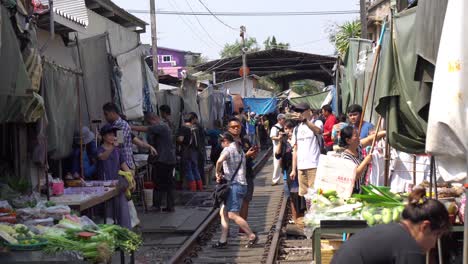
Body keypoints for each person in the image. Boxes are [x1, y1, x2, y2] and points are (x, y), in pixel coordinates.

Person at [331, 188, 450, 264]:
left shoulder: (393, 231)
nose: (434, 245)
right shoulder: (409, 248)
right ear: (424, 227)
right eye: (436, 235)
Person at [212, 133, 258, 249]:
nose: (221, 145)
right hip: (241, 185)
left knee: (232, 214)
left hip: (234, 186)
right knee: (223, 212)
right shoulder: (240, 150)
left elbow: (219, 161)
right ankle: (223, 240)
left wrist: (217, 172)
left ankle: (251, 235)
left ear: (225, 141)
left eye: (221, 143)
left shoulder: (228, 149)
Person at [131, 113, 176, 212]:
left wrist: (130, 127)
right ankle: (169, 206)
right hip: (167, 160)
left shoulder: (161, 126)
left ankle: (157, 206)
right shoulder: (164, 127)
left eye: (150, 122)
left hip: (163, 160)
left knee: (158, 183)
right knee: (168, 184)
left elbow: (148, 129)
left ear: (154, 119)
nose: (150, 125)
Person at [96, 124, 132, 229]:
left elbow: (123, 164)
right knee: (109, 211)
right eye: (110, 134)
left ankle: (125, 230)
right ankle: (111, 230)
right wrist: (112, 147)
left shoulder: (117, 150)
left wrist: (130, 178)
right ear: (104, 137)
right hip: (104, 184)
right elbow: (102, 157)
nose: (113, 137)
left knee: (122, 208)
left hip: (117, 184)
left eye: (113, 134)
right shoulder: (100, 149)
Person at [102, 102, 156, 172]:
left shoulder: (122, 125)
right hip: (115, 164)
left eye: (106, 114)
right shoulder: (111, 126)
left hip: (124, 164)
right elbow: (138, 142)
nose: (105, 117)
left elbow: (118, 142)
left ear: (112, 112)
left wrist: (104, 138)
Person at [226, 117, 258, 226]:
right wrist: (246, 155)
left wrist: (253, 155)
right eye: (233, 127)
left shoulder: (245, 141)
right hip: (231, 177)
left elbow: (250, 158)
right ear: (228, 128)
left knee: (246, 201)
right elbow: (217, 157)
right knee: (228, 203)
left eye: (238, 127)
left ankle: (242, 228)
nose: (236, 129)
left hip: (246, 174)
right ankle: (227, 231)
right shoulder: (226, 142)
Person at [339, 126, 386, 193]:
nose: (359, 138)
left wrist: (384, 133)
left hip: (362, 189)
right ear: (348, 140)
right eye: (356, 136)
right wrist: (366, 161)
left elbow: (369, 140)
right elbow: (355, 175)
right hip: (353, 191)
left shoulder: (358, 148)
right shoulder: (345, 157)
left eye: (359, 135)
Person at [290, 103, 323, 197]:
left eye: (301, 111)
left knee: (315, 195)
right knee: (304, 195)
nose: (299, 114)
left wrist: (305, 120)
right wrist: (294, 169)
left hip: (314, 165)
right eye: (298, 111)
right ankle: (308, 211)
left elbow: (318, 131)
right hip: (301, 167)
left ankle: (314, 212)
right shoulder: (296, 129)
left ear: (309, 111)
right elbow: (295, 150)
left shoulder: (317, 122)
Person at [275, 120, 304, 222]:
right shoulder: (283, 141)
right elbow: (277, 155)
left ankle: (302, 216)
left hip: (299, 169)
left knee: (301, 194)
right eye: (285, 129)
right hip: (289, 170)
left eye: (289, 128)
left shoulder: (298, 139)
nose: (287, 131)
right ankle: (295, 217)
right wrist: (279, 141)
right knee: (292, 195)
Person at [177, 113, 202, 191]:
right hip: (195, 151)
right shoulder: (195, 128)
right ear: (192, 119)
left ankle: (193, 188)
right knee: (195, 168)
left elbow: (180, 139)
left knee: (188, 169)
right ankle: (199, 187)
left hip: (187, 151)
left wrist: (176, 139)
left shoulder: (184, 128)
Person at [189, 112, 207, 187]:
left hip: (199, 150)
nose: (190, 122)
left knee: (199, 167)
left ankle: (202, 184)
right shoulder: (200, 126)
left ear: (195, 119)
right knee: (200, 167)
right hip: (201, 149)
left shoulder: (197, 127)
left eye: (191, 120)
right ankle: (203, 184)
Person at [270, 114, 286, 185]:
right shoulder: (275, 127)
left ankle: (283, 177)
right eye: (283, 119)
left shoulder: (284, 127)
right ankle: (275, 180)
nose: (284, 120)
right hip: (277, 147)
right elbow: (272, 137)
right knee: (277, 163)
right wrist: (279, 138)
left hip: (284, 146)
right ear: (279, 120)